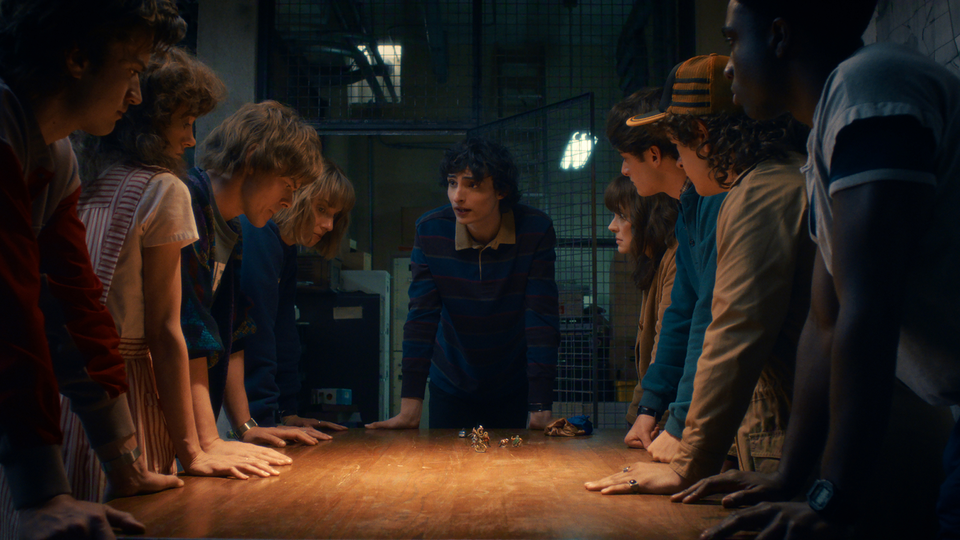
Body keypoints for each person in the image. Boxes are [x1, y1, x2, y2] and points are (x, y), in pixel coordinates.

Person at [673, 1, 960, 539]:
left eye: (734, 41)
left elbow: (868, 310)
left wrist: (832, 499)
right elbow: (824, 322)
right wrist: (790, 476)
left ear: (779, 37)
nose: (729, 64)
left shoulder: (871, 88)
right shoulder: (828, 125)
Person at [585, 53, 812, 496]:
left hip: (797, 410)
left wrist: (687, 449)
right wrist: (658, 409)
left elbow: (729, 327)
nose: (679, 163)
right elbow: (686, 313)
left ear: (703, 137)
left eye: (679, 146)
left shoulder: (757, 194)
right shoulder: (716, 197)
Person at [0, 1, 187, 538]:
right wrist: (43, 493)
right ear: (76, 56)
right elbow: (10, 312)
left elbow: (75, 304)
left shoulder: (56, 157)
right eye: (131, 71)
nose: (135, 95)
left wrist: (123, 461)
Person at [72, 46, 289, 488]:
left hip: (69, 390)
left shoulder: (80, 172)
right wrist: (195, 450)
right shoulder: (164, 189)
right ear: (151, 118)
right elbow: (170, 331)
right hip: (129, 389)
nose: (191, 139)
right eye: (186, 122)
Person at [366, 137, 559, 430]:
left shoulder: (535, 229)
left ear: (502, 190)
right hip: (451, 381)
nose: (458, 196)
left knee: (511, 470)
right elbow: (421, 317)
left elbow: (541, 319)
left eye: (473, 185)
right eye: (452, 183)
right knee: (446, 471)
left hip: (511, 381)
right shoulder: (431, 231)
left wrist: (541, 405)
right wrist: (409, 406)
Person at [180, 100, 330, 454]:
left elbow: (232, 330)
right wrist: (207, 442)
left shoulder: (232, 226)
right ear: (252, 159)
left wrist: (247, 426)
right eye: (288, 186)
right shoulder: (186, 203)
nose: (290, 202)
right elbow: (187, 335)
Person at [240, 158, 355, 435]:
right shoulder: (259, 234)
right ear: (296, 197)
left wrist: (288, 413)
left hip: (258, 410)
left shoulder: (286, 248)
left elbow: (283, 331)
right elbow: (256, 334)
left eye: (334, 215)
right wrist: (264, 420)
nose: (328, 225)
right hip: (234, 410)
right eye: (321, 209)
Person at [603, 89, 687, 450]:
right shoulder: (657, 259)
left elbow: (685, 336)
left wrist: (669, 425)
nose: (612, 226)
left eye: (622, 215)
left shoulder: (679, 248)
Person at [603, 175, 678, 442]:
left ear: (649, 218)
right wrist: (636, 418)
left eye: (622, 216)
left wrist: (647, 417)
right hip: (656, 419)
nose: (612, 226)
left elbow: (666, 347)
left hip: (668, 422)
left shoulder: (675, 258)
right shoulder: (651, 262)